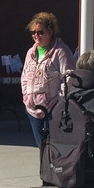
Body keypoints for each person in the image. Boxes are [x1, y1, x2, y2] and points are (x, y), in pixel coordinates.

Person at [21, 12, 76, 147]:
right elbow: (24, 77)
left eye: (40, 32)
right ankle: (44, 168)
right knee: (41, 147)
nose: (36, 35)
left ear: (50, 31)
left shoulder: (61, 51)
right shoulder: (30, 52)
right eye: (33, 32)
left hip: (52, 109)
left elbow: (68, 78)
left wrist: (60, 102)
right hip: (32, 109)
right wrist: (26, 96)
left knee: (53, 147)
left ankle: (53, 168)